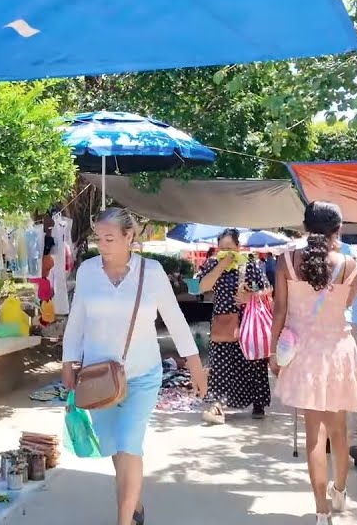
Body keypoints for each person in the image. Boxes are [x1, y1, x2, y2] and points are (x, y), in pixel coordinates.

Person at [62, 208, 206, 525]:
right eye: (99, 238)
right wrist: (68, 360)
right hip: (99, 377)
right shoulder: (87, 271)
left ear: (130, 237)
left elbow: (175, 320)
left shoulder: (151, 272)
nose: (103, 244)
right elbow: (77, 321)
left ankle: (124, 520)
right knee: (115, 447)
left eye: (110, 238)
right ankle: (134, 504)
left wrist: (195, 364)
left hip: (142, 374)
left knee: (129, 443)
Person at [271, 203, 357, 524]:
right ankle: (340, 491)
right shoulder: (352, 264)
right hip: (338, 350)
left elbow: (280, 311)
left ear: (304, 226)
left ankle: (321, 510)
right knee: (339, 431)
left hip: (302, 352)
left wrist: (274, 352)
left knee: (315, 436)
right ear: (337, 229)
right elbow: (349, 303)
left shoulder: (286, 260)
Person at [198, 229, 272, 423]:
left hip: (248, 321)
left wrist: (251, 295)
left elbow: (265, 288)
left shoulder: (249, 264)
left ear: (238, 247)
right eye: (222, 248)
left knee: (253, 361)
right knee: (221, 363)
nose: (226, 252)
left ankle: (258, 403)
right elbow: (203, 286)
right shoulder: (213, 264)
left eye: (230, 249)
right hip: (223, 319)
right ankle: (217, 405)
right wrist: (221, 265)